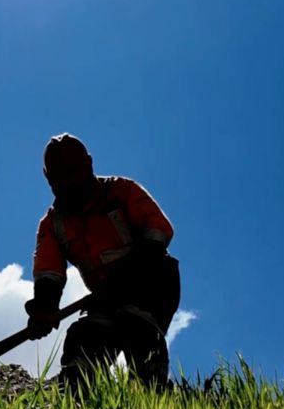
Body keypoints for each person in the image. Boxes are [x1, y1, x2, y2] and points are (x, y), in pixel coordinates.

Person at [24, 133, 181, 389]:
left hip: (153, 283)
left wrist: (131, 271)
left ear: (89, 164)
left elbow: (159, 230)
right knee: (86, 335)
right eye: (62, 180)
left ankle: (151, 387)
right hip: (105, 296)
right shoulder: (53, 225)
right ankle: (77, 386)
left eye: (73, 176)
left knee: (137, 327)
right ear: (49, 178)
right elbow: (48, 273)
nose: (70, 187)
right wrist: (44, 307)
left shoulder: (121, 191)